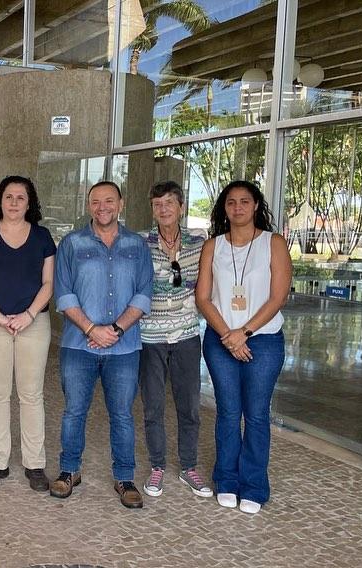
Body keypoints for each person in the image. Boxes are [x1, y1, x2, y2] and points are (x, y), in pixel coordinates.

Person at [51, 180, 153, 508]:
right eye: (95, 201)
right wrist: (92, 329)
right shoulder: (71, 243)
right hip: (78, 345)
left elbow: (144, 293)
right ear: (88, 206)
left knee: (122, 414)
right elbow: (64, 293)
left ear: (120, 204)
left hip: (124, 348)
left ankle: (125, 478)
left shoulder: (137, 245)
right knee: (74, 411)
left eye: (109, 200)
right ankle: (69, 471)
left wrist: (116, 330)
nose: (102, 207)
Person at [195, 180, 291, 515]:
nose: (238, 208)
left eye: (245, 202)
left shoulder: (273, 243)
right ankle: (226, 480)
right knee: (228, 412)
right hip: (221, 339)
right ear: (225, 208)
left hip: (263, 340)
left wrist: (244, 333)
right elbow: (203, 297)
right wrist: (228, 335)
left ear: (255, 206)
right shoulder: (213, 246)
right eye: (231, 202)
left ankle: (254, 486)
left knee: (256, 415)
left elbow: (278, 296)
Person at [0, 176, 56, 493]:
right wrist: (1, 317)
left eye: (21, 197)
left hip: (34, 323)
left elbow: (48, 283)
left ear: (29, 203)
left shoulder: (43, 237)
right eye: (9, 196)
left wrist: (29, 315)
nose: (15, 202)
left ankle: (35, 464)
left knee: (31, 395)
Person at [138, 181, 212, 499]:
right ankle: (157, 466)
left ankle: (188, 467)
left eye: (169, 203)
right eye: (157, 204)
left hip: (186, 335)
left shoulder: (200, 242)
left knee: (189, 405)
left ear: (181, 207)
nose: (163, 209)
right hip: (149, 337)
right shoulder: (142, 243)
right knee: (153, 406)